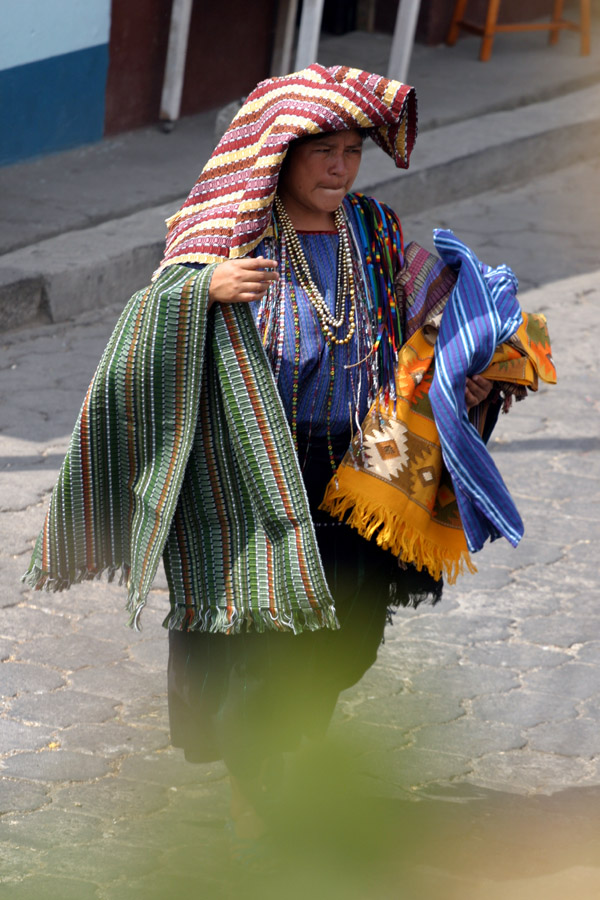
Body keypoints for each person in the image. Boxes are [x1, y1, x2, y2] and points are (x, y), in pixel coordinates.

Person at [23, 65, 555, 852]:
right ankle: (257, 806)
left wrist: (479, 359)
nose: (340, 168)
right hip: (252, 475)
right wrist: (199, 294)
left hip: (353, 471)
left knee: (346, 636)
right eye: (323, 153)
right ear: (279, 156)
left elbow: (436, 311)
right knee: (257, 648)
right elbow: (143, 327)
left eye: (351, 151)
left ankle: (289, 758)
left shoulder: (372, 231)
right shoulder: (229, 240)